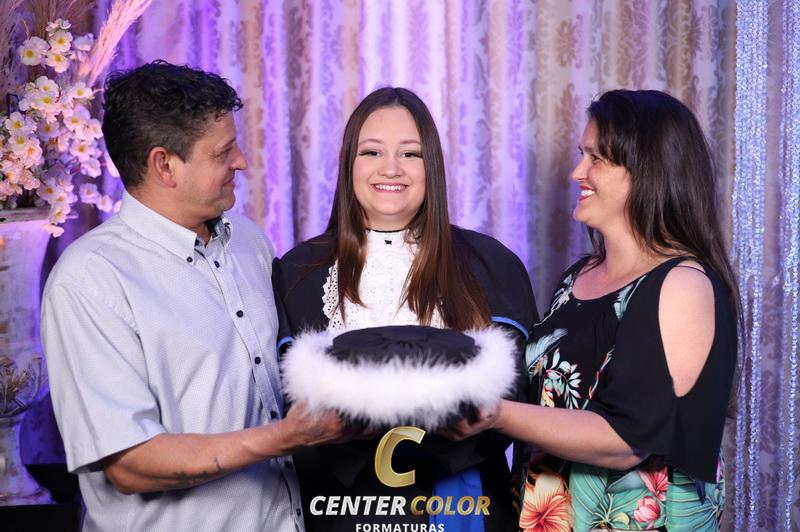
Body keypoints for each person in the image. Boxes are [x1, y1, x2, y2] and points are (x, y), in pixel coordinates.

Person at [41, 61, 348, 532]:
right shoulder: (90, 281)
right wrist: (285, 437)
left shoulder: (249, 242)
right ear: (164, 165)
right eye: (223, 152)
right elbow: (130, 464)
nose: (241, 161)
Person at [446, 89, 738, 531]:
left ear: (648, 170)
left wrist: (497, 414)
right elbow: (547, 402)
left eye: (596, 159)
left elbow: (625, 440)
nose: (577, 172)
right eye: (582, 155)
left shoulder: (683, 285)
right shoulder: (578, 277)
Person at [273, 87, 538, 531]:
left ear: (431, 165)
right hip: (338, 511)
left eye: (410, 154)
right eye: (371, 152)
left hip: (465, 507)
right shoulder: (297, 271)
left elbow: (517, 399)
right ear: (349, 164)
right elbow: (287, 404)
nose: (390, 168)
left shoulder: (492, 264)